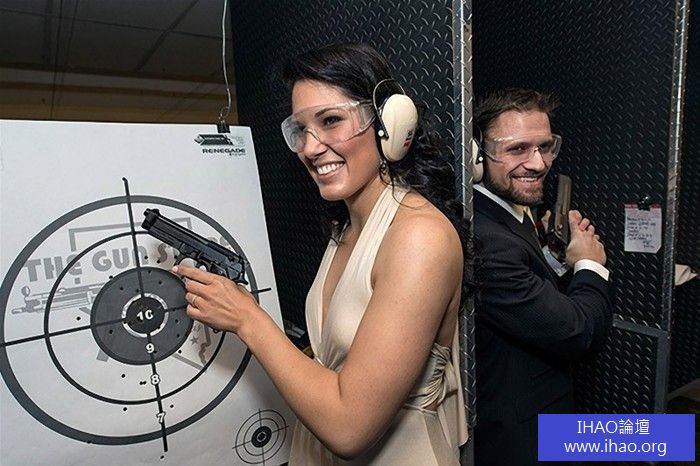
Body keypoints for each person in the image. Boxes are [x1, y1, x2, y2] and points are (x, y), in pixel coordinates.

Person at [173, 42, 476, 465]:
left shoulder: (418, 236)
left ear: (388, 123)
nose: (311, 147)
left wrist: (247, 318)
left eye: (331, 121)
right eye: (300, 129)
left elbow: (350, 428)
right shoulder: (347, 228)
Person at [471, 88, 613, 465]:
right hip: (521, 439)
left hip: (545, 418)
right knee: (660, 437)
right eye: (517, 149)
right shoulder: (488, 239)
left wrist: (555, 259)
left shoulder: (509, 213)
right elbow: (580, 333)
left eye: (546, 147)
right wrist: (591, 264)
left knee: (661, 437)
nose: (538, 163)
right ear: (477, 155)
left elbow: (522, 287)